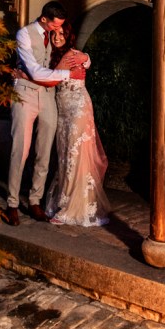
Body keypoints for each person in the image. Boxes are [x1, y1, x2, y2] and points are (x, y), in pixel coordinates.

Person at [3, 1, 87, 226]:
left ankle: (35, 201)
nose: (57, 30)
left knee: (44, 152)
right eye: (54, 26)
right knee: (20, 150)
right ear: (44, 19)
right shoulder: (24, 34)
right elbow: (34, 70)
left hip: (48, 96)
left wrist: (85, 59)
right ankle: (12, 204)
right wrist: (67, 75)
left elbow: (74, 56)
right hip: (25, 95)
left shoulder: (53, 36)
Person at [44, 22, 111, 227]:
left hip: (78, 109)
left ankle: (70, 208)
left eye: (61, 34)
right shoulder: (52, 55)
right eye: (54, 34)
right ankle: (69, 201)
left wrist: (86, 57)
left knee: (75, 155)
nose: (57, 37)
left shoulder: (72, 54)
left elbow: (54, 76)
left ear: (68, 36)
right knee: (65, 155)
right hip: (63, 110)